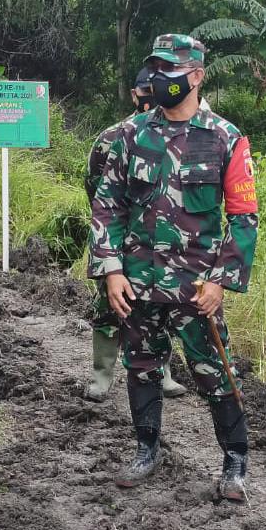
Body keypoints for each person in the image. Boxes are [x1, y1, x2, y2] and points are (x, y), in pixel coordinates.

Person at [89, 34, 259, 501]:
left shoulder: (225, 138)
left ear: (197, 76)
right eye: (156, 70)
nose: (162, 80)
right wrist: (111, 269)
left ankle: (235, 461)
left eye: (172, 71)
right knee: (141, 366)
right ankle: (147, 449)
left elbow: (244, 218)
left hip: (195, 286)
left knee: (212, 371)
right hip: (137, 280)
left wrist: (222, 280)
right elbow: (108, 205)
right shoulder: (131, 134)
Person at [83, 66, 187, 402]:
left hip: (162, 243)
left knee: (162, 307)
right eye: (146, 90)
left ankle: (164, 372)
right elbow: (96, 190)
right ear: (135, 94)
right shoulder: (114, 136)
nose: (151, 97)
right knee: (109, 308)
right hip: (117, 240)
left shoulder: (183, 135)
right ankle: (102, 376)